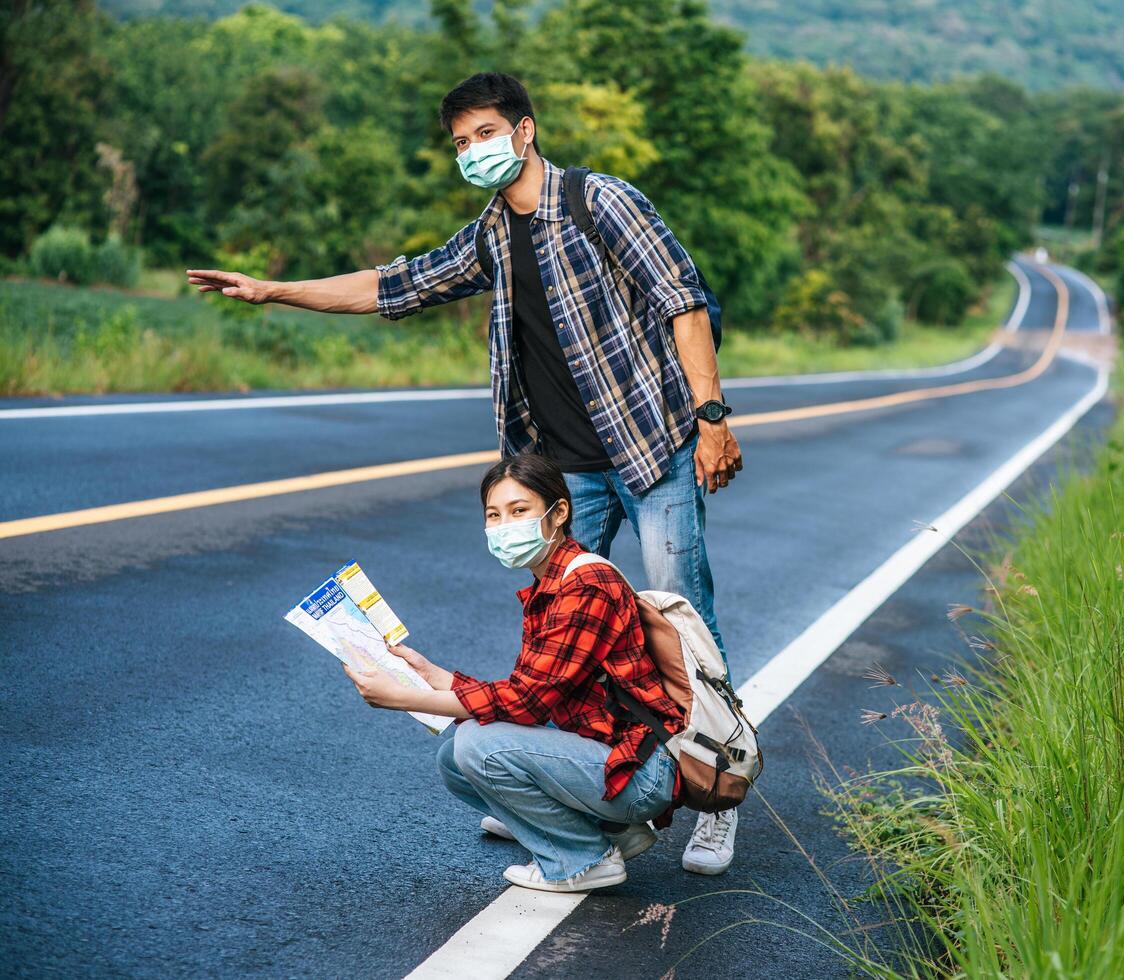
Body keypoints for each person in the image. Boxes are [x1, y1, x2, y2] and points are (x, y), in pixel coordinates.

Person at [187, 72, 744, 873]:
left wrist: (711, 419)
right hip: (565, 476)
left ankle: (717, 793)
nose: (472, 151)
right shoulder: (489, 235)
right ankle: (576, 798)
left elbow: (680, 299)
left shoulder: (601, 202)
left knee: (683, 631)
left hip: (650, 449)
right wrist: (273, 290)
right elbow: (392, 284)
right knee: (563, 634)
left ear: (524, 130)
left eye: (483, 133)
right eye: (459, 142)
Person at [341, 454, 684, 893]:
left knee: (477, 746)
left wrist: (403, 698)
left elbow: (525, 703)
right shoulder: (552, 583)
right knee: (455, 760)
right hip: (608, 757)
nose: (505, 525)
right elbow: (526, 696)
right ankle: (614, 831)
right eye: (493, 515)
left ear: (558, 513)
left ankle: (581, 860)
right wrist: (430, 673)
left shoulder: (585, 585)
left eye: (519, 511)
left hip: (638, 772)